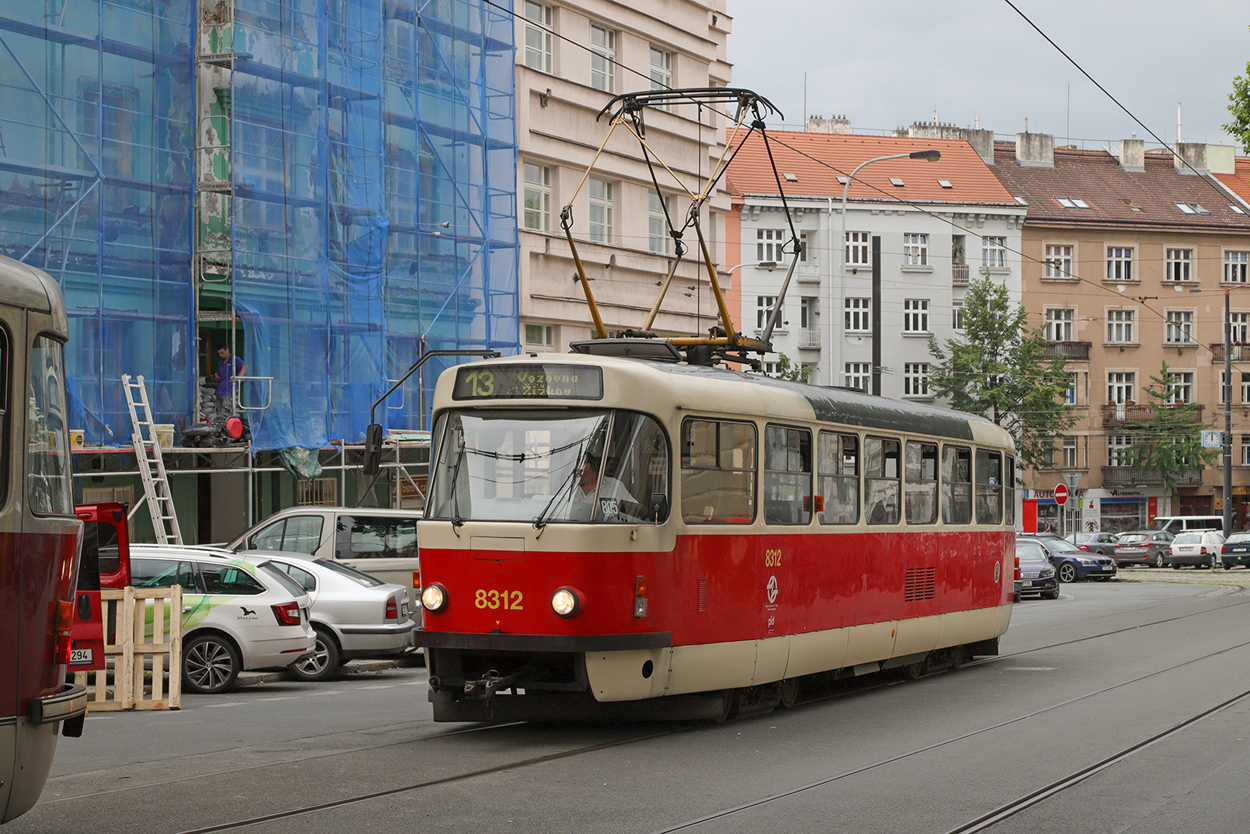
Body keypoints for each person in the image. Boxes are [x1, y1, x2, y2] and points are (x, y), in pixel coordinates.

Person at [570, 454, 637, 521]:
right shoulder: (568, 489)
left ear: (586, 466)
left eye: (574, 469)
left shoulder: (614, 487)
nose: (571, 473)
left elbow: (635, 511)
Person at [211, 345, 245, 416]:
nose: (221, 355)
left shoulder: (234, 359)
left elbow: (244, 366)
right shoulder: (220, 363)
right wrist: (217, 376)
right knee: (219, 413)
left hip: (228, 391)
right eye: (219, 354)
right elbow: (220, 375)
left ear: (227, 350)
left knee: (226, 413)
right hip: (219, 391)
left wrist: (238, 377)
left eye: (222, 353)